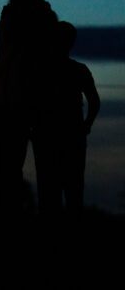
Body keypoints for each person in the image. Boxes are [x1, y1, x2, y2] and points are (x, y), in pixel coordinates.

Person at [0, 0, 58, 214]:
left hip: (22, 97)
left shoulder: (14, 16)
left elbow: (5, 59)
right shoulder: (41, 15)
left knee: (13, 168)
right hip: (34, 97)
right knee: (42, 170)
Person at [33, 22, 100, 218]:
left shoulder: (39, 70)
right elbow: (94, 101)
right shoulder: (77, 69)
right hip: (68, 136)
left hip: (50, 137)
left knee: (50, 193)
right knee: (72, 192)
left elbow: (94, 101)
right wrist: (86, 125)